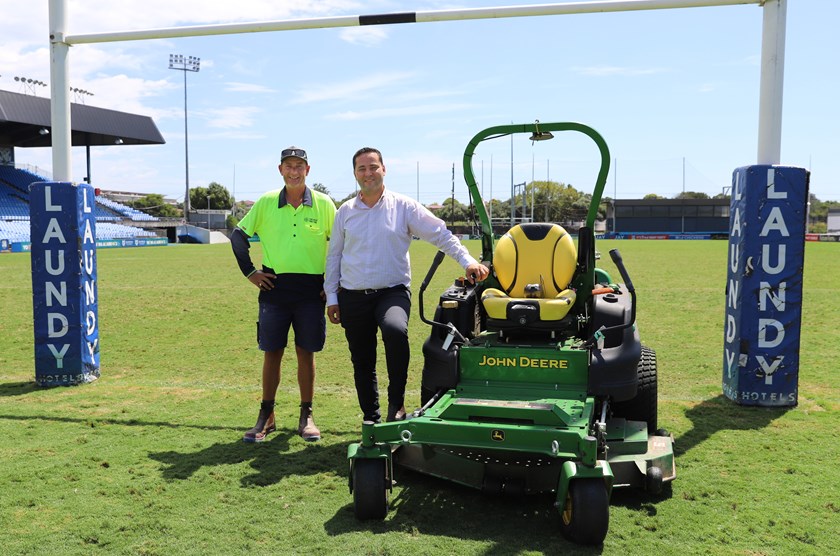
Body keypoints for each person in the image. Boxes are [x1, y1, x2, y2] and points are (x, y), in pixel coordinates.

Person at [325, 147, 489, 423]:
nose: (368, 173)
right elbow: (335, 255)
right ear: (355, 174)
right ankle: (371, 416)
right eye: (362, 169)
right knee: (362, 359)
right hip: (352, 295)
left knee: (395, 329)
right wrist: (332, 296)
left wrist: (468, 261)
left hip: (392, 291)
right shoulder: (345, 212)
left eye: (373, 167)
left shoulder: (403, 206)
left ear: (383, 169)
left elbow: (440, 234)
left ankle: (396, 405)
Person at [231, 146, 336, 443]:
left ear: (308, 170)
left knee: (306, 352)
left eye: (299, 165)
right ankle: (267, 415)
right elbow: (238, 236)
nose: (294, 171)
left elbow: (342, 244)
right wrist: (250, 272)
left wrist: (332, 283)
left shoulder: (324, 204)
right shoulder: (265, 202)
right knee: (272, 352)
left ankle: (307, 415)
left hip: (311, 291)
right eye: (288, 166)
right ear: (280, 170)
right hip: (274, 289)